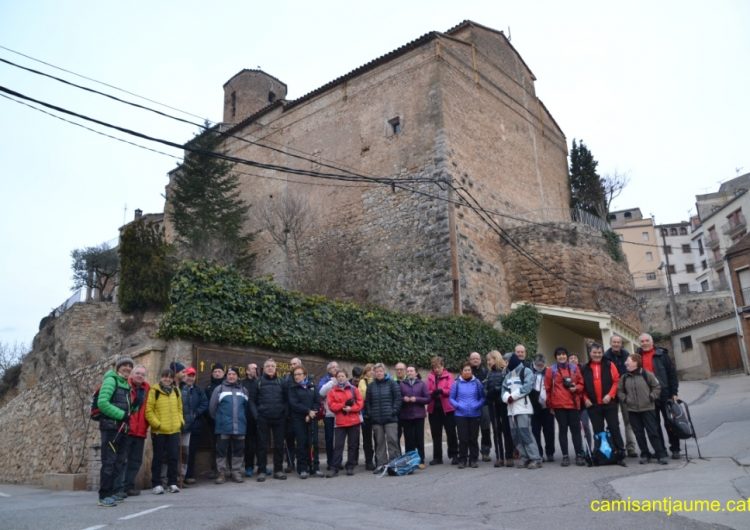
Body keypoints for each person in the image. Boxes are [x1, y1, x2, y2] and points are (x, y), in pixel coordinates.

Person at [617, 353, 668, 465]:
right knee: (639, 433)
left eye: (628, 360)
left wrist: (652, 396)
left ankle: (660, 454)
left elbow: (657, 387)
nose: (626, 363)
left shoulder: (647, 374)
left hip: (648, 408)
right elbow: (619, 391)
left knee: (653, 432)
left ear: (635, 362)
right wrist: (625, 399)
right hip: (632, 410)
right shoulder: (624, 377)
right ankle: (645, 454)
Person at [96, 356, 134, 507]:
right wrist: (122, 415)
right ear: (118, 368)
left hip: (121, 428)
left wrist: (134, 407)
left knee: (119, 462)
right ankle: (103, 496)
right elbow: (102, 403)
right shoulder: (111, 380)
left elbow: (126, 407)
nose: (127, 368)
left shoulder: (126, 384)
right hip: (111, 428)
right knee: (109, 462)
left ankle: (112, 493)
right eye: (124, 365)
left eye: (130, 366)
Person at [581, 343, 626, 466]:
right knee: (598, 431)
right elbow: (581, 386)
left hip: (609, 403)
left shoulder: (609, 364)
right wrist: (585, 399)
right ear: (590, 353)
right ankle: (601, 455)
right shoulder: (584, 368)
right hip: (593, 405)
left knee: (614, 428)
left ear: (602, 353)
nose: (597, 355)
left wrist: (610, 395)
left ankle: (620, 453)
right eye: (594, 352)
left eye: (599, 352)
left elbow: (616, 381)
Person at [637, 333, 681, 459]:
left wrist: (674, 393)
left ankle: (675, 449)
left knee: (670, 423)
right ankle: (660, 450)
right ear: (639, 343)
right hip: (648, 396)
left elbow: (672, 374)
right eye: (642, 341)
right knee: (654, 426)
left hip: (665, 394)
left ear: (652, 342)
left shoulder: (662, 355)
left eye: (647, 340)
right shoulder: (637, 357)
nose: (644, 343)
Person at [545, 347, 586, 467]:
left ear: (566, 356)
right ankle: (565, 456)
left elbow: (581, 383)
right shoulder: (551, 370)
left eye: (563, 354)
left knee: (576, 431)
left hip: (573, 404)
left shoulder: (574, 368)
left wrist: (576, 388)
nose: (561, 356)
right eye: (559, 355)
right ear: (555, 357)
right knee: (562, 430)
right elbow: (547, 388)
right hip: (558, 405)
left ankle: (579, 455)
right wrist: (550, 405)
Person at [146, 368, 184, 494]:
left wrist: (180, 421)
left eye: (169, 377)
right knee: (158, 457)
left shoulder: (176, 391)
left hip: (174, 430)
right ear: (161, 378)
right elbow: (149, 411)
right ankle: (156, 483)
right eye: (164, 376)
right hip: (159, 431)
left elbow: (180, 408)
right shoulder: (154, 391)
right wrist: (158, 424)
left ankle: (172, 482)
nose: (167, 379)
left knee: (173, 457)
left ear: (173, 379)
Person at [502, 353, 542, 469]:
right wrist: (506, 397)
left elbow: (527, 387)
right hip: (511, 410)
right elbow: (504, 389)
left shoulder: (526, 371)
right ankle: (525, 458)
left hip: (523, 408)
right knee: (516, 435)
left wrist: (512, 396)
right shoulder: (508, 375)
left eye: (506, 361)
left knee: (526, 434)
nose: (505, 364)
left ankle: (535, 458)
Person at [114, 364, 149, 498]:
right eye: (137, 373)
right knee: (122, 460)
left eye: (142, 374)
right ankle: (119, 487)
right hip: (127, 429)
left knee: (135, 461)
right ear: (132, 374)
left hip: (140, 430)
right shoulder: (125, 386)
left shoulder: (147, 388)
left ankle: (129, 486)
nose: (140, 376)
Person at [209, 366, 249, 483]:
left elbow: (245, 408)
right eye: (229, 374)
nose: (231, 376)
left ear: (237, 376)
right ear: (226, 376)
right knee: (221, 451)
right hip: (223, 427)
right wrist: (220, 420)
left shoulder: (243, 390)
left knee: (238, 450)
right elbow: (212, 408)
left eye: (234, 374)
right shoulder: (219, 389)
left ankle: (236, 472)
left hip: (240, 427)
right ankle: (221, 473)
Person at [250, 359, 288, 482]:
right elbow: (251, 401)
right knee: (262, 445)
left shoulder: (281, 382)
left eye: (272, 366)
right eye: (268, 366)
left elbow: (287, 400)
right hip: (263, 418)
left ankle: (278, 470)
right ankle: (261, 471)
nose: (270, 368)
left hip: (279, 418)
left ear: (276, 368)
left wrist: (284, 414)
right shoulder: (258, 382)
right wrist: (257, 416)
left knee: (279, 445)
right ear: (264, 368)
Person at [365, 363, 402, 473]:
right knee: (379, 443)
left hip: (390, 419)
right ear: (374, 373)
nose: (378, 373)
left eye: (380, 371)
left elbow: (398, 399)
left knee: (392, 441)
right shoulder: (371, 386)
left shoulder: (392, 383)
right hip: (376, 420)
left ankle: (394, 465)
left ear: (384, 372)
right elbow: (368, 402)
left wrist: (393, 411)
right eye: (376, 371)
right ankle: (381, 465)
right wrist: (371, 414)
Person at [604, 334, 637, 457]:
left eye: (618, 342)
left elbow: (631, 372)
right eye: (614, 342)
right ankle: (617, 447)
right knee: (614, 423)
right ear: (610, 343)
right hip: (612, 393)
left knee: (628, 421)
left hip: (625, 392)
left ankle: (631, 448)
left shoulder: (627, 355)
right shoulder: (605, 357)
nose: (616, 344)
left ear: (621, 344)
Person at [327, 369, 364, 477]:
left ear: (346, 377)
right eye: (339, 376)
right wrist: (343, 405)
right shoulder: (332, 391)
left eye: (343, 376)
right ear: (336, 378)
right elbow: (331, 406)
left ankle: (350, 466)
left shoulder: (354, 389)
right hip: (340, 422)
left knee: (352, 445)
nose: (341, 378)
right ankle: (335, 468)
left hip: (353, 421)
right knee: (338, 446)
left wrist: (351, 409)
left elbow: (360, 403)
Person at [288, 365, 321, 478]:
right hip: (299, 419)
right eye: (295, 375)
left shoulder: (312, 386)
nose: (296, 377)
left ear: (305, 375)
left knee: (314, 443)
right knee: (302, 443)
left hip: (312, 418)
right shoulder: (292, 388)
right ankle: (303, 468)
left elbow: (317, 402)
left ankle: (315, 467)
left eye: (299, 374)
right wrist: (307, 412)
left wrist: (312, 413)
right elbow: (294, 404)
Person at [450, 361, 485, 468]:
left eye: (469, 370)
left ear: (471, 371)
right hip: (460, 415)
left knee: (473, 438)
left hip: (475, 414)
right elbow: (451, 398)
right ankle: (462, 460)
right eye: (465, 370)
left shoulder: (477, 382)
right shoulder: (456, 383)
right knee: (463, 438)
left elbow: (482, 397)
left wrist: (477, 405)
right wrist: (458, 406)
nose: (467, 372)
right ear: (461, 371)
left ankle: (473, 459)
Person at [426, 356, 459, 465]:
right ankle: (437, 457)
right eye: (435, 367)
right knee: (436, 434)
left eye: (438, 367)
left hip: (448, 409)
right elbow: (427, 391)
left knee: (451, 433)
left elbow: (451, 390)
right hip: (434, 409)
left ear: (442, 366)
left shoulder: (449, 376)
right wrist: (432, 393)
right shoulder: (430, 377)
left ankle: (454, 455)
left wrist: (442, 391)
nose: (436, 369)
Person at [181, 366, 208, 485]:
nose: (190, 378)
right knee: (180, 452)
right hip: (181, 425)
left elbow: (204, 403)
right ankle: (178, 476)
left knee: (191, 452)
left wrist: (196, 413)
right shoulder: (179, 388)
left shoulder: (198, 390)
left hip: (195, 426)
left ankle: (189, 475)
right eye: (188, 375)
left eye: (192, 376)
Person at [399, 366, 430, 468]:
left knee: (419, 439)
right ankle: (410, 461)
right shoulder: (402, 384)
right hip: (406, 416)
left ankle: (421, 460)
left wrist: (416, 399)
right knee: (409, 440)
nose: (409, 372)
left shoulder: (422, 384)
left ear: (416, 373)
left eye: (411, 371)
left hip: (419, 416)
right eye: (408, 371)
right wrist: (404, 399)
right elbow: (398, 398)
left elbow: (427, 399)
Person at [484, 350, 511, 467]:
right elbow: (484, 387)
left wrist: (498, 389)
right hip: (493, 404)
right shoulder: (488, 373)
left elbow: (509, 386)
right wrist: (488, 392)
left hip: (504, 404)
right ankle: (499, 457)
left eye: (490, 359)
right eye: (488, 360)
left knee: (506, 430)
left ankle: (509, 456)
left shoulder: (506, 371)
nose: (488, 362)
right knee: (496, 431)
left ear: (496, 358)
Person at [530, 355, 555, 463]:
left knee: (549, 431)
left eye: (542, 364)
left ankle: (550, 453)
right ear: (534, 363)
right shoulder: (529, 372)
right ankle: (539, 453)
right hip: (534, 407)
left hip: (547, 406)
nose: (540, 366)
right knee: (535, 431)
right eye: (538, 364)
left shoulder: (550, 371)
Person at [468, 352, 492, 462]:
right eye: (473, 358)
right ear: (470, 360)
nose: (475, 360)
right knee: (472, 430)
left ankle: (485, 452)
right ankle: (473, 452)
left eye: (477, 358)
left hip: (484, 405)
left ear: (480, 360)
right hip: (470, 405)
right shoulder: (466, 372)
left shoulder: (486, 372)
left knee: (485, 429)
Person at [204, 363, 225, 479]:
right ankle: (214, 469)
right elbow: (206, 404)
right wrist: (211, 417)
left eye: (219, 372)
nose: (217, 374)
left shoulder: (226, 386)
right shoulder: (208, 388)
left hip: (225, 422)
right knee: (214, 446)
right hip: (212, 422)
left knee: (225, 447)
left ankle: (226, 469)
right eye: (215, 372)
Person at [317, 361, 339, 471]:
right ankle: (330, 462)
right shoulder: (325, 379)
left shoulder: (341, 378)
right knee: (329, 439)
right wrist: (331, 382)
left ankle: (337, 461)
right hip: (329, 414)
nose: (335, 369)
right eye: (333, 367)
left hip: (340, 414)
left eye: (336, 367)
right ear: (328, 370)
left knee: (339, 439)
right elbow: (321, 392)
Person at [283, 357, 303, 473]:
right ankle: (290, 464)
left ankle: (302, 463)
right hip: (289, 416)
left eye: (295, 363)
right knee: (289, 441)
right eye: (291, 364)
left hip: (301, 415)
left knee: (301, 441)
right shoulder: (286, 379)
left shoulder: (306, 378)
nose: (293, 366)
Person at [569, 354, 592, 450]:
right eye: (571, 358)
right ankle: (580, 450)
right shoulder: (565, 371)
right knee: (576, 429)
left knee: (586, 426)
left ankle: (589, 449)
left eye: (575, 358)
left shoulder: (584, 370)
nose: (573, 360)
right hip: (571, 404)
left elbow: (586, 385)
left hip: (583, 404)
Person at [242, 362, 259, 477]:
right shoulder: (242, 384)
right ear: (247, 371)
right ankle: (249, 466)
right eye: (253, 368)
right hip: (247, 418)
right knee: (249, 444)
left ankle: (262, 466)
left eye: (256, 369)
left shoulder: (260, 383)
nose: (255, 370)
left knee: (261, 443)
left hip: (260, 417)